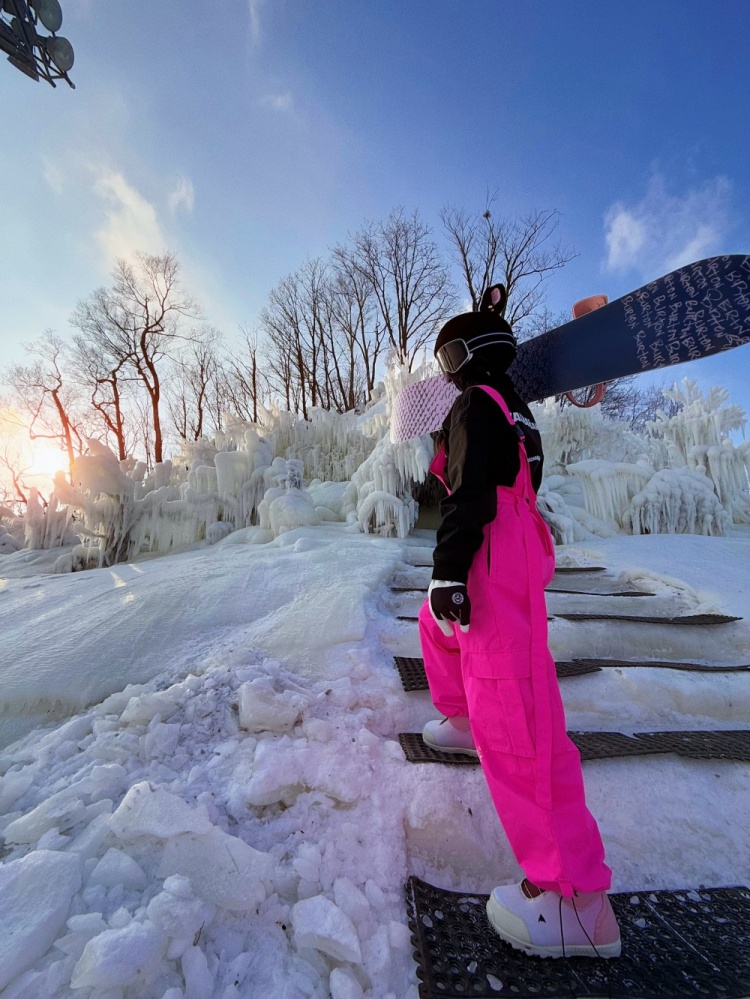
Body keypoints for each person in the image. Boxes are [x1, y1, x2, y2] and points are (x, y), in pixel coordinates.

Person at [418, 286, 621, 959]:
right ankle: (461, 717)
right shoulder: (516, 409)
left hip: (492, 547)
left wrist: (450, 566)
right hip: (512, 545)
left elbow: (472, 489)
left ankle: (571, 898)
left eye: (447, 356)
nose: (444, 371)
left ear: (460, 355)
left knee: (519, 722)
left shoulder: (478, 402)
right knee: (493, 689)